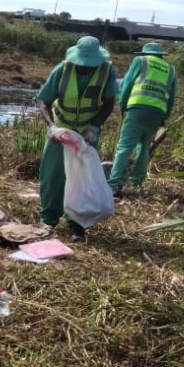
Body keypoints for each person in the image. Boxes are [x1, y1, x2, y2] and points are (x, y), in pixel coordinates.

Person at [36, 35, 117, 241]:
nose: (85, 68)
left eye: (90, 66)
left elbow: (108, 103)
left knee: (82, 178)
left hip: (85, 133)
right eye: (82, 65)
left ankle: (77, 223)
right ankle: (48, 220)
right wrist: (52, 126)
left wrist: (94, 127)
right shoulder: (62, 70)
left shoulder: (107, 71)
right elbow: (43, 101)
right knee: (52, 175)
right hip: (61, 129)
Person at [108, 42, 177, 197]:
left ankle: (114, 184)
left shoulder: (141, 61)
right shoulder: (171, 70)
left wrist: (123, 104)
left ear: (145, 53)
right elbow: (171, 97)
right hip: (157, 112)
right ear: (160, 55)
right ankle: (136, 182)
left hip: (137, 108)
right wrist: (164, 116)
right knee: (144, 146)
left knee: (125, 146)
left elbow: (127, 84)